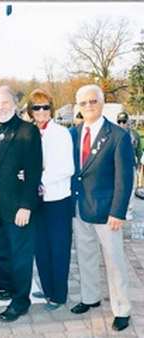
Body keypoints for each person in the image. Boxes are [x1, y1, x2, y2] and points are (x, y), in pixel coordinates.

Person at [70, 84, 134, 332]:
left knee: (114, 261)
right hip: (80, 207)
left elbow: (124, 178)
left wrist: (118, 212)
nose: (88, 106)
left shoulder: (118, 136)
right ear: (78, 106)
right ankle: (90, 297)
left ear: (102, 102)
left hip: (107, 212)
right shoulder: (74, 133)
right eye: (83, 103)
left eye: (93, 101)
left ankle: (121, 309)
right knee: (85, 256)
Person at [0, 86, 43, 322]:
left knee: (21, 255)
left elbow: (33, 172)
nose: (0, 108)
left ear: (14, 104)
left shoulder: (27, 131)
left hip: (19, 207)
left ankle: (21, 301)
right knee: (1, 251)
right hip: (0, 207)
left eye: (4, 103)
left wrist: (26, 206)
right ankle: (12, 287)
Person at [26, 89, 74, 310]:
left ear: (51, 109)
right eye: (37, 107)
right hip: (38, 201)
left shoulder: (61, 133)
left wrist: (37, 179)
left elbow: (67, 168)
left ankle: (59, 294)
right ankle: (47, 287)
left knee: (59, 248)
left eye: (45, 107)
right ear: (31, 111)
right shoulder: (31, 133)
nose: (42, 111)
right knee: (40, 247)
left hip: (57, 200)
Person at [117, 111, 142, 220]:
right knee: (117, 189)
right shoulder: (113, 134)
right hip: (116, 167)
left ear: (128, 122)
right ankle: (118, 210)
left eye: (124, 121)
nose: (122, 124)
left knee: (131, 189)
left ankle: (129, 211)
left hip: (130, 165)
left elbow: (139, 150)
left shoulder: (134, 134)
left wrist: (139, 163)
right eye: (119, 121)